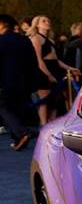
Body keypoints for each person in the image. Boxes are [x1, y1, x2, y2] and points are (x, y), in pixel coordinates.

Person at [0, 13, 39, 150]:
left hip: (5, 82)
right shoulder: (24, 40)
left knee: (4, 109)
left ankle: (22, 133)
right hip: (24, 82)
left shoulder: (1, 40)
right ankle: (19, 139)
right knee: (16, 110)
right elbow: (33, 61)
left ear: (3, 25)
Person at [27, 14, 67, 125]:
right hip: (43, 71)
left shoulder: (51, 40)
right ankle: (44, 124)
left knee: (55, 100)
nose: (47, 22)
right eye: (43, 21)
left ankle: (51, 124)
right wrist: (48, 75)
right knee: (44, 100)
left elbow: (56, 60)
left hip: (54, 69)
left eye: (48, 20)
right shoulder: (36, 38)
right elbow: (38, 59)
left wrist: (70, 68)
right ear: (37, 25)